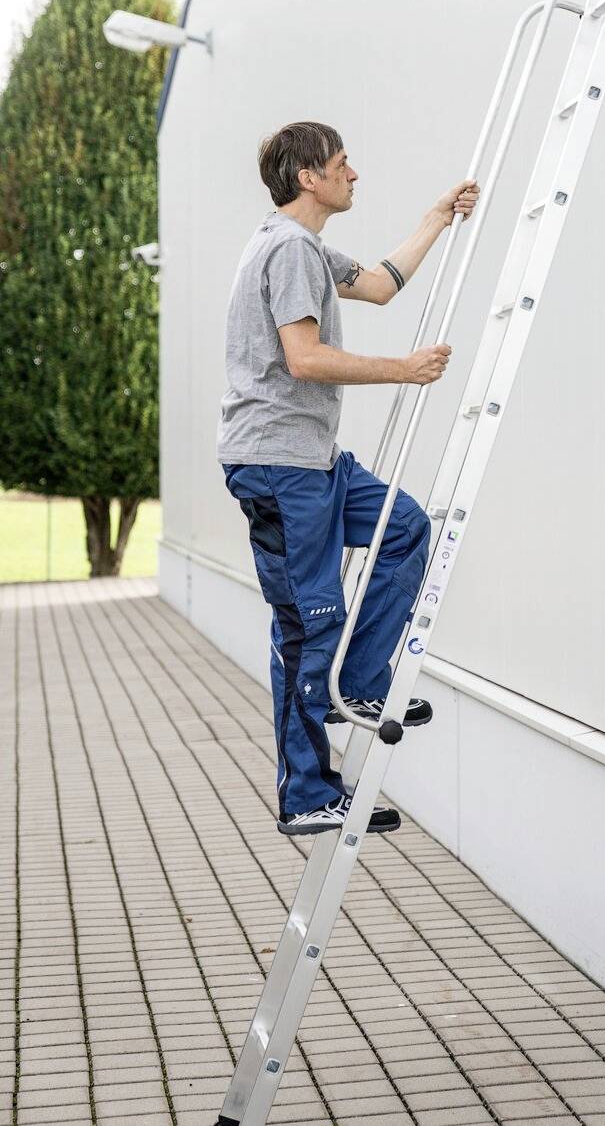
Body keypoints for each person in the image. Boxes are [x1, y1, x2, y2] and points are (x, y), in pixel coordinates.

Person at [217, 119, 480, 837]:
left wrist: (435, 218)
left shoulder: (302, 247)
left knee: (405, 527)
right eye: (342, 163)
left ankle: (359, 685)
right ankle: (307, 794)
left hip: (314, 462)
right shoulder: (288, 250)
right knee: (310, 626)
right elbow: (303, 358)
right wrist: (405, 370)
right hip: (278, 466)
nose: (353, 173)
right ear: (309, 177)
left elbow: (380, 286)